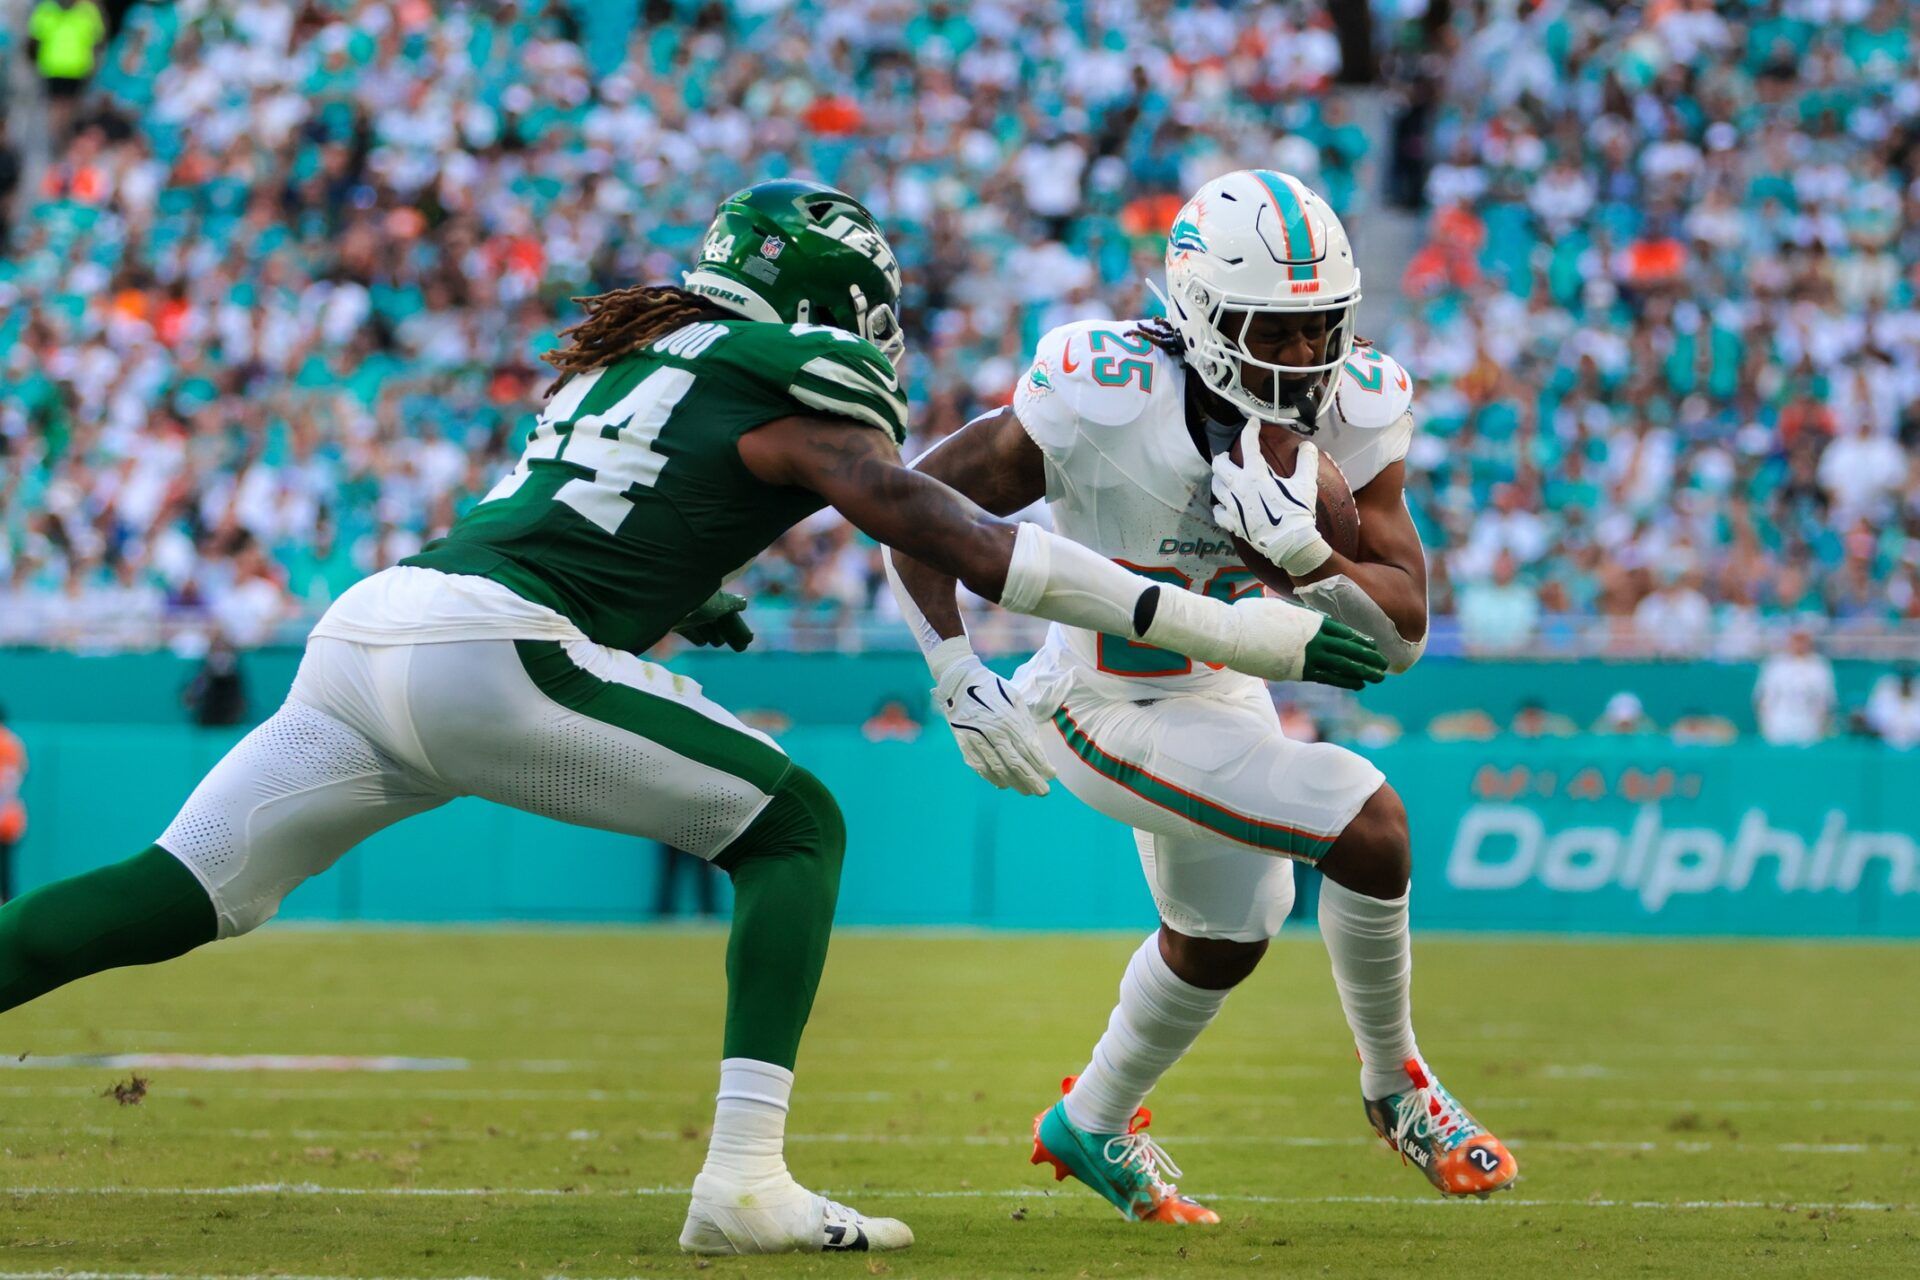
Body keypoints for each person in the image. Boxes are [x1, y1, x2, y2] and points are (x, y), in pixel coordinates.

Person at [0, 181, 1385, 1258]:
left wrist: (694, 591)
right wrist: (1239, 631)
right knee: (797, 826)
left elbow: (617, 507)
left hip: (373, 633)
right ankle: (743, 1178)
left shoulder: (630, 356)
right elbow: (958, 535)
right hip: (489, 650)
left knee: (177, 890)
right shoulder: (799, 369)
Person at [888, 169, 1515, 1225]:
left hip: (1223, 691)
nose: (1306, 356)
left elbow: (1404, 629)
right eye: (1277, 329)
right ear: (1204, 315)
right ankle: (1399, 1087)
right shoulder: (1103, 391)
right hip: (1100, 701)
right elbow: (914, 509)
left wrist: (1312, 559)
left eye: (1321, 328)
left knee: (1228, 931)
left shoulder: (1357, 406)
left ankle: (1089, 1121)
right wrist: (954, 670)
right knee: (1366, 820)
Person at [26, 0, 107, 144]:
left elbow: (98, 41)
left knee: (70, 108)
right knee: (56, 107)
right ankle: (56, 139)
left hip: (77, 70)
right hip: (53, 69)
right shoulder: (46, 8)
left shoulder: (88, 10)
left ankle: (63, 139)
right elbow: (34, 40)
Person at [1754, 627, 1835, 746]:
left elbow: (1824, 698)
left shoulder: (1819, 665)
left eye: (1803, 641)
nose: (1799, 645)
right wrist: (1765, 723)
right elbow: (1764, 696)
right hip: (1779, 721)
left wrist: (1821, 724)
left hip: (1808, 722)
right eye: (1796, 641)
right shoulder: (1775, 664)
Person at [0, 706, 26, 905]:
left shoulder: (6, 743)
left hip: (5, 823)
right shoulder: (11, 742)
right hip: (9, 821)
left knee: (5, 879)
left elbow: (7, 783)